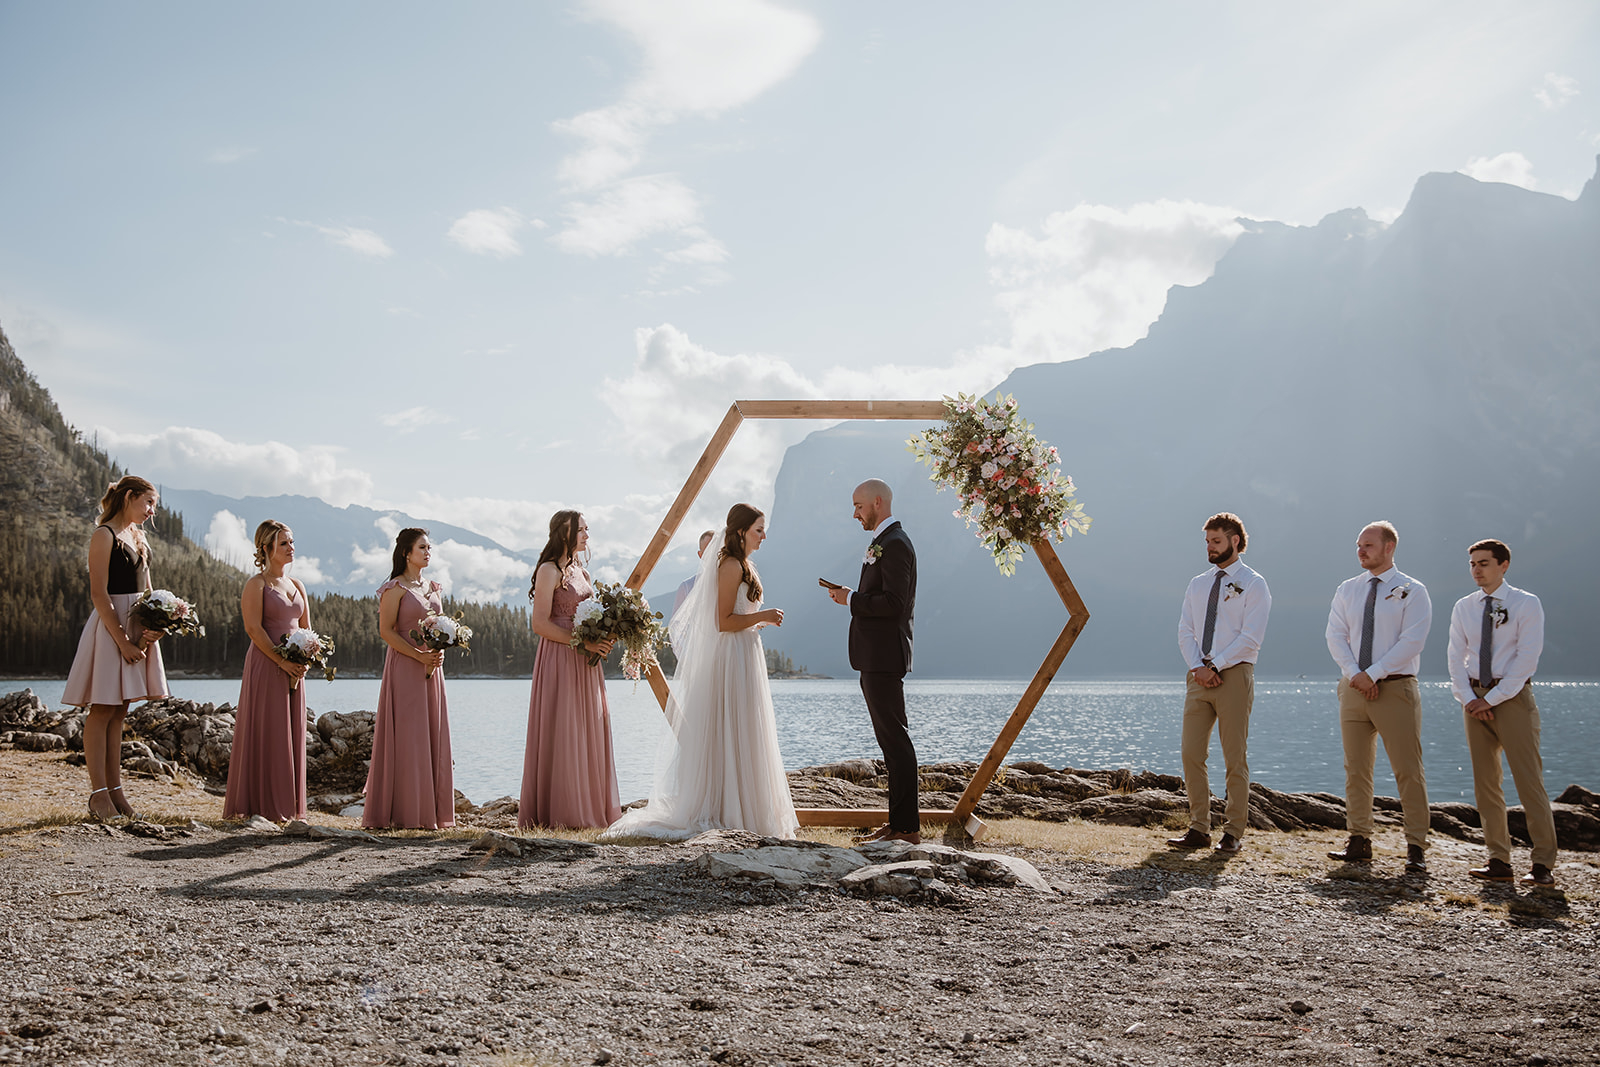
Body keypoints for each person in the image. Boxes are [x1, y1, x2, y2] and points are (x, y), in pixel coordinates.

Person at [603, 503, 797, 840]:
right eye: (758, 530)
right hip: (731, 657)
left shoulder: (745, 564)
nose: (764, 536)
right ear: (741, 531)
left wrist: (756, 623)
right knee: (732, 728)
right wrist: (762, 617)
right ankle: (727, 808)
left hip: (745, 652)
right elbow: (722, 621)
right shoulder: (730, 565)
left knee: (745, 729)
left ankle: (747, 809)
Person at [1446, 539, 1557, 886]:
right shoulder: (1464, 606)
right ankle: (1498, 859)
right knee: (1486, 783)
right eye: (1473, 564)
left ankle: (1542, 864)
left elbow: (1527, 658)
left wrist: (1492, 699)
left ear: (1503, 565)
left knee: (1529, 781)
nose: (1476, 570)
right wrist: (1468, 698)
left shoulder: (1526, 603)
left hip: (1511, 698)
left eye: (1484, 563)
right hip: (1473, 699)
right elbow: (1455, 656)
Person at [1325, 521, 1432, 870]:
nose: (1361, 550)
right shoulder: (1348, 589)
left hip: (1395, 688)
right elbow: (1335, 635)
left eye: (1368, 545)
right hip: (1353, 688)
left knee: (1407, 769)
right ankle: (1359, 839)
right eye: (1358, 545)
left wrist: (1373, 673)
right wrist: (1356, 674)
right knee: (1355, 768)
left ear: (1389, 547)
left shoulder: (1413, 590)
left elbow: (1412, 641)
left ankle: (1416, 847)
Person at [63, 476, 169, 821]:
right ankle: (98, 795)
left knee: (120, 710)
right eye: (148, 502)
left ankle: (116, 791)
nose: (152, 511)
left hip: (137, 626)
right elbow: (99, 594)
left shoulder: (138, 536)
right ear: (128, 497)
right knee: (103, 709)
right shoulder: (104, 535)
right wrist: (123, 641)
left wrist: (156, 625)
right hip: (112, 628)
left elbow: (149, 592)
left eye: (154, 505)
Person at [1168, 513, 1271, 853]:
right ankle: (1199, 828)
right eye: (1207, 542)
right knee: (1191, 753)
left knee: (1234, 756)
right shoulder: (1198, 584)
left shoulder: (1254, 584)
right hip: (1198, 677)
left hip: (1234, 675)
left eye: (1216, 541)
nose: (1210, 548)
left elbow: (1251, 636)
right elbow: (1185, 630)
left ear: (1235, 541)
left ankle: (1233, 832)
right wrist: (1198, 667)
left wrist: (1216, 665)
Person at [825, 479, 919, 845]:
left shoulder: (895, 544)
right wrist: (852, 596)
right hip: (875, 656)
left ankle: (907, 829)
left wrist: (851, 598)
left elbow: (894, 603)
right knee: (890, 743)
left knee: (896, 742)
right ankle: (898, 825)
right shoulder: (885, 542)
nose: (855, 513)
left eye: (858, 506)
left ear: (877, 502)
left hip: (884, 656)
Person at [520, 511, 622, 830]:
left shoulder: (582, 572)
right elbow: (539, 624)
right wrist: (583, 643)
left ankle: (590, 807)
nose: (586, 536)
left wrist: (604, 636)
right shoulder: (548, 570)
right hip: (560, 657)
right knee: (564, 729)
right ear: (564, 533)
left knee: (586, 729)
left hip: (585, 661)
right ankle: (563, 811)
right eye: (581, 530)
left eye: (587, 529)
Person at [363, 528, 455, 830]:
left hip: (433, 667)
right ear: (406, 553)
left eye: (429, 548)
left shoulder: (433, 587)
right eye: (422, 548)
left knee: (432, 732)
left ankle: (432, 812)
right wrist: (418, 655)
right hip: (405, 666)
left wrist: (439, 651)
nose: (428, 553)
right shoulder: (395, 588)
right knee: (409, 736)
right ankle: (405, 811)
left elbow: (440, 625)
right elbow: (386, 631)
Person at [223, 520, 311, 822]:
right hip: (266, 663)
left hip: (295, 667)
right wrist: (281, 661)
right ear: (266, 547)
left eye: (291, 541)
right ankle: (262, 805)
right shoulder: (256, 584)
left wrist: (306, 658)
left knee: (291, 731)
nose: (291, 548)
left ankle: (289, 806)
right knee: (269, 730)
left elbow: (307, 629)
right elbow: (253, 629)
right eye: (283, 543)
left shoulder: (297, 585)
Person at [673, 530, 717, 614]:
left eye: (715, 549)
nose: (712, 554)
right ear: (700, 555)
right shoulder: (686, 587)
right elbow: (676, 621)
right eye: (708, 550)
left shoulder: (733, 583)